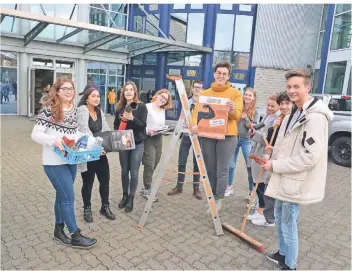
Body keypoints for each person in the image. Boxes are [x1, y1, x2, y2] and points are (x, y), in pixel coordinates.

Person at [263, 69, 333, 270]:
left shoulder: (314, 118)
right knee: (278, 215)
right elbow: (284, 143)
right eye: (289, 87)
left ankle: (291, 264)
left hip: (295, 181)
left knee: (288, 223)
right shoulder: (293, 112)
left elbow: (311, 156)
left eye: (296, 86)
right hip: (282, 177)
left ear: (307, 88)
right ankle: (282, 253)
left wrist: (275, 165)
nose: (292, 91)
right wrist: (270, 156)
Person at [31, 76, 97, 249]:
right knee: (68, 197)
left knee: (62, 195)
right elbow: (35, 134)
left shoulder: (73, 110)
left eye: (71, 89)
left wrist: (94, 142)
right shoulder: (49, 110)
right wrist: (54, 140)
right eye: (64, 89)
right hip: (53, 163)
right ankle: (75, 234)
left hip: (70, 159)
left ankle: (58, 230)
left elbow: (74, 135)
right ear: (57, 91)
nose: (69, 92)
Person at [192, 60, 243, 211]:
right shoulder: (205, 93)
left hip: (227, 136)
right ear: (214, 74)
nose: (221, 76)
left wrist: (232, 109)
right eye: (219, 73)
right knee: (210, 167)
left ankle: (218, 198)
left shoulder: (235, 93)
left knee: (222, 169)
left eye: (224, 74)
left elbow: (238, 116)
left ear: (228, 76)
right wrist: (194, 125)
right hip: (207, 134)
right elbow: (197, 114)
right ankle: (212, 194)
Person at [251, 92, 293, 227]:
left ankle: (270, 219)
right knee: (269, 190)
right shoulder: (280, 118)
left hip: (282, 161)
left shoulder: (291, 119)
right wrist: (273, 127)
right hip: (272, 157)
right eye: (283, 104)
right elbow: (270, 137)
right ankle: (267, 216)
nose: (284, 106)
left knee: (271, 191)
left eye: (287, 103)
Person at [77, 87, 116, 223]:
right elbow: (85, 131)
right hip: (88, 154)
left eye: (98, 96)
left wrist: (110, 143)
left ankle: (105, 207)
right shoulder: (82, 110)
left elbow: (105, 129)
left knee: (105, 181)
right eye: (93, 96)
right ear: (87, 98)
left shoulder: (99, 111)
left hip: (100, 153)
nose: (96, 98)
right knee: (88, 183)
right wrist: (98, 146)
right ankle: (87, 208)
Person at [167, 80, 204, 200]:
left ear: (202, 89)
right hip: (186, 136)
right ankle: (179, 186)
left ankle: (196, 188)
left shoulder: (204, 104)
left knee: (197, 163)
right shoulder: (186, 102)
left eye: (200, 87)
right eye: (196, 87)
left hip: (198, 136)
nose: (197, 89)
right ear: (192, 88)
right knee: (181, 161)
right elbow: (181, 118)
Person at [113, 81, 147, 213]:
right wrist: (117, 132)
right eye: (126, 90)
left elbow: (143, 125)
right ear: (123, 92)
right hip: (123, 141)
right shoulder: (119, 107)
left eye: (131, 90)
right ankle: (124, 195)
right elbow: (116, 125)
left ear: (135, 92)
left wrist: (132, 118)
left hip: (137, 143)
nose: (128, 92)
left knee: (133, 172)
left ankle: (131, 197)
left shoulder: (141, 106)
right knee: (124, 171)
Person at [247, 93, 280, 220]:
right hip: (257, 151)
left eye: (273, 106)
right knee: (257, 182)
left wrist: (254, 134)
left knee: (261, 184)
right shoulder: (268, 115)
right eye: (268, 105)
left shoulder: (276, 120)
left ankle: (262, 212)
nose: (269, 108)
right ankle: (260, 210)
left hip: (264, 154)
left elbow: (268, 138)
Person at [225, 88, 260, 198]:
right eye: (246, 94)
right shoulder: (238, 107)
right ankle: (229, 187)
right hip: (234, 138)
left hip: (246, 140)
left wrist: (245, 119)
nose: (247, 97)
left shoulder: (256, 111)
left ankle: (251, 191)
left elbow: (253, 127)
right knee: (231, 165)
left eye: (250, 95)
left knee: (249, 166)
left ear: (254, 98)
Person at [141, 89, 172, 201]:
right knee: (149, 163)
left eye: (165, 99)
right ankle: (147, 189)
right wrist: (148, 130)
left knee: (156, 162)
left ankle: (145, 184)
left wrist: (165, 130)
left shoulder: (162, 110)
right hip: (148, 138)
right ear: (157, 95)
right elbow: (141, 124)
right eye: (162, 97)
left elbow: (161, 125)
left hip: (159, 138)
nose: (163, 100)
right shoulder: (146, 107)